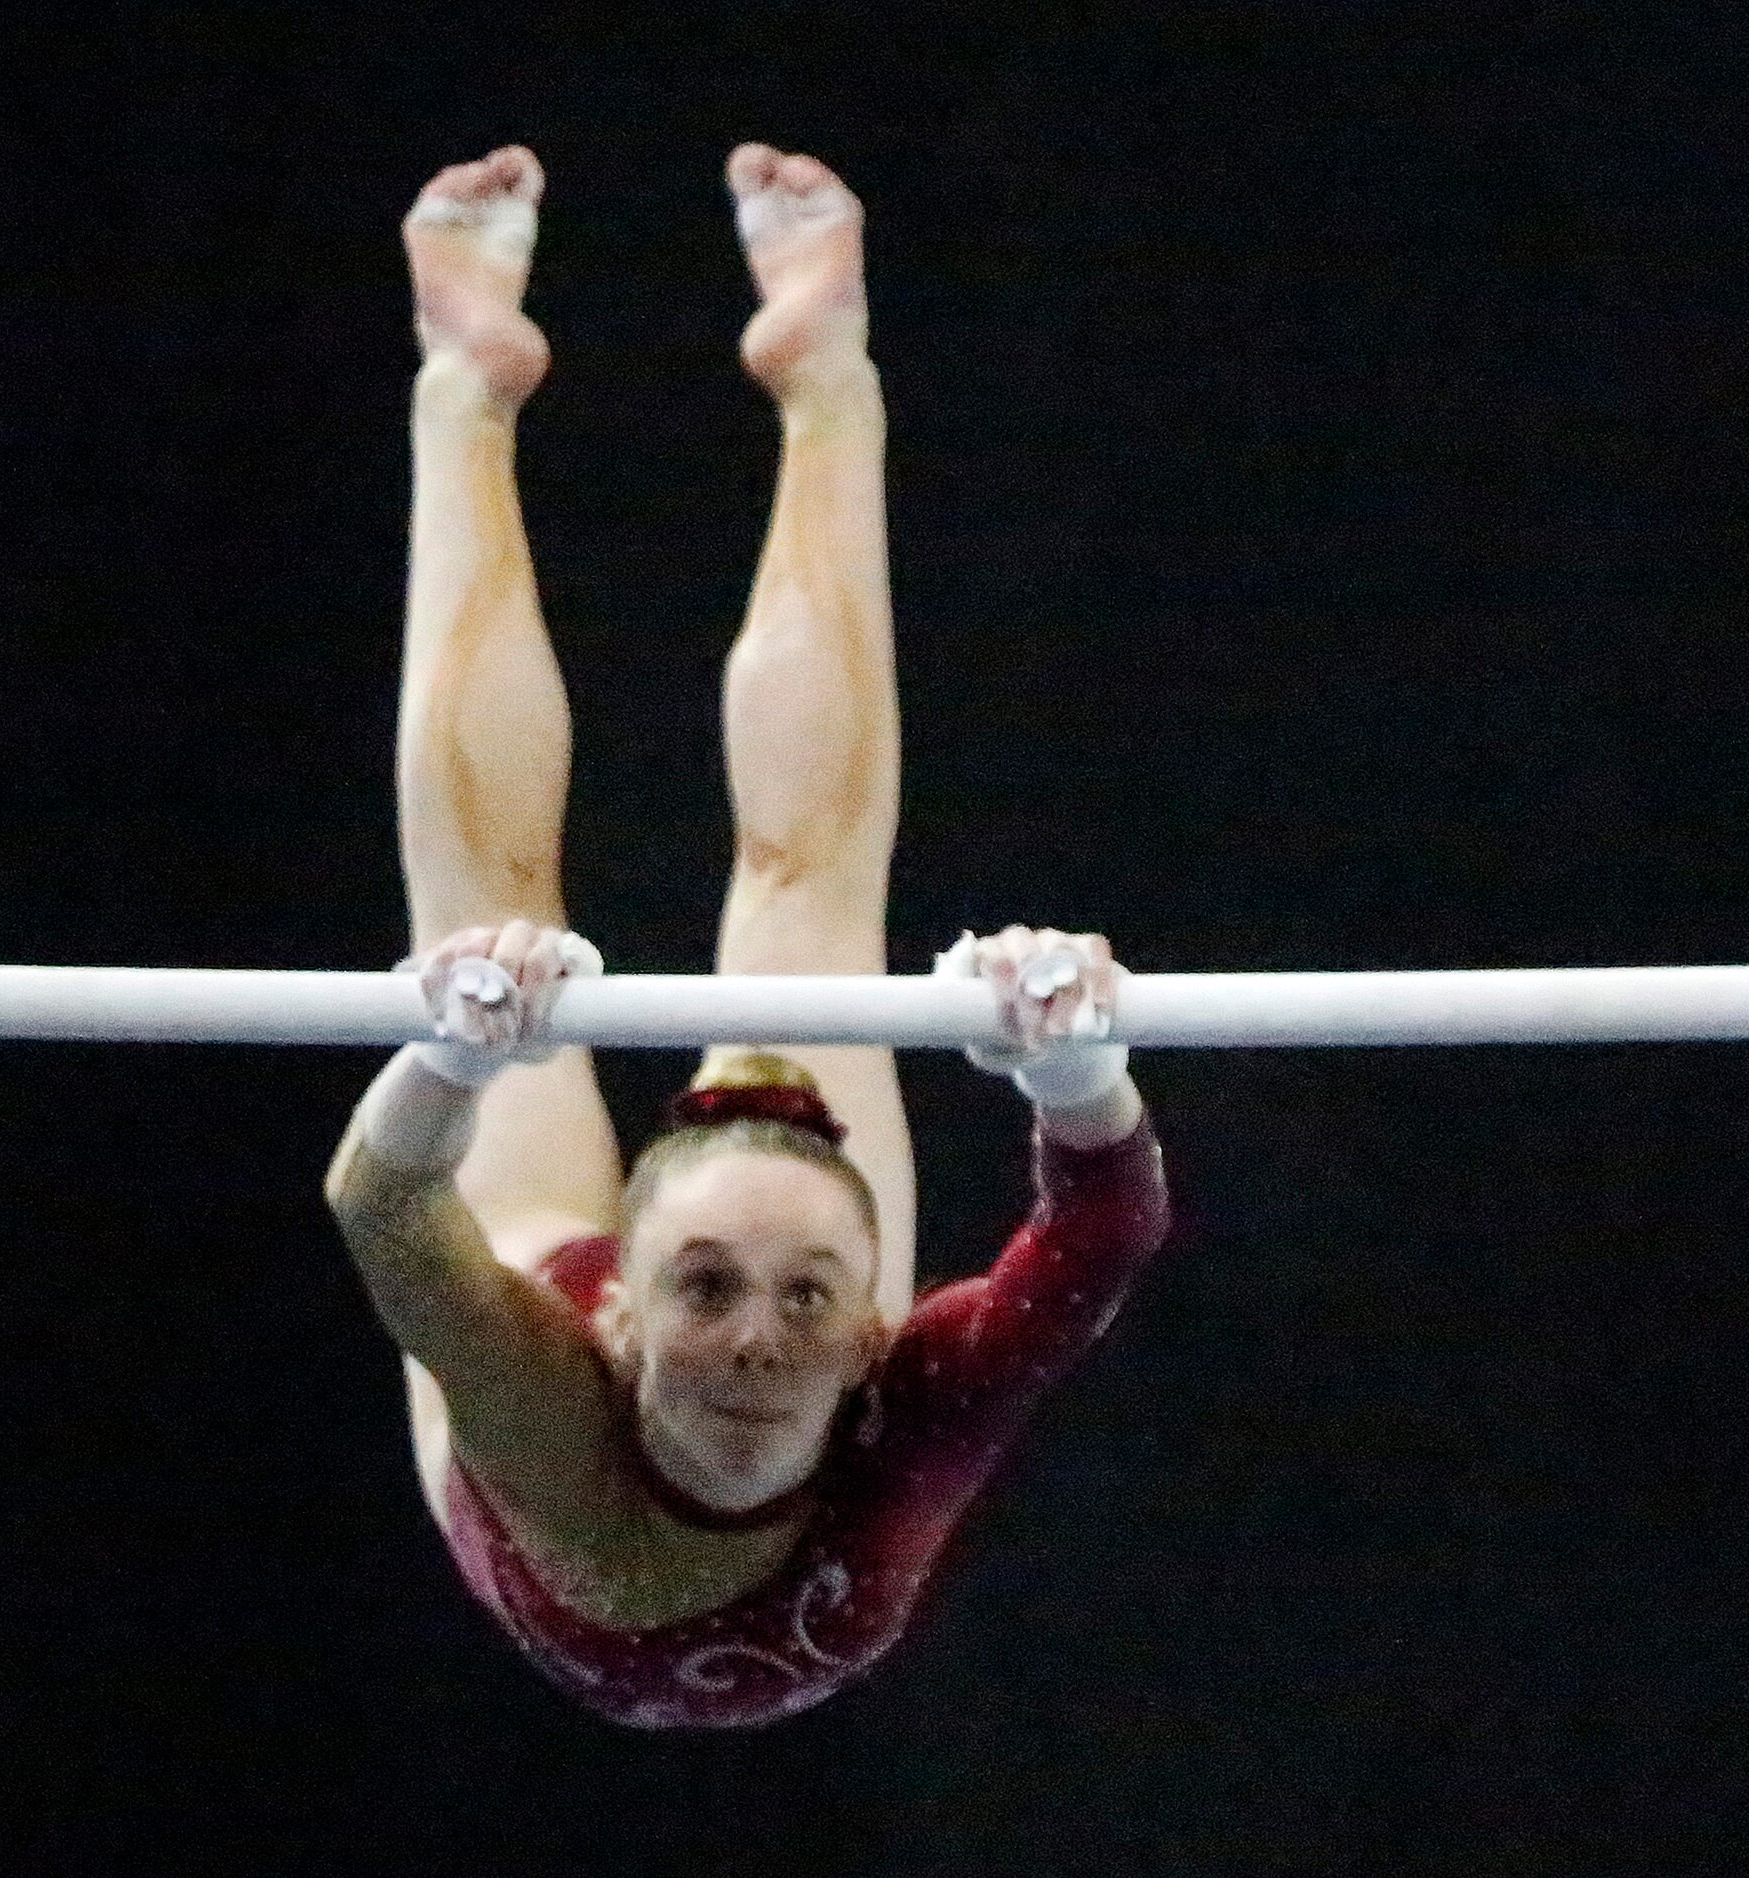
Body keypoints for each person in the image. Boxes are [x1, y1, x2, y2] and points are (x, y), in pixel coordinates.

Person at [320, 143, 1173, 1729]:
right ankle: (830, 381)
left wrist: (454, 1046)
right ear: (624, 1304)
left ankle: (464, 389)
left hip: (532, 1371)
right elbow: (1105, 1230)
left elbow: (386, 1201)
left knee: (488, 922)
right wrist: (1076, 1072)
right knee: (815, 892)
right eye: (708, 1286)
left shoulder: (537, 1391)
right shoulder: (903, 1403)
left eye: (796, 1298)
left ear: (867, 1331)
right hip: (561, 1363)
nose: (757, 1342)